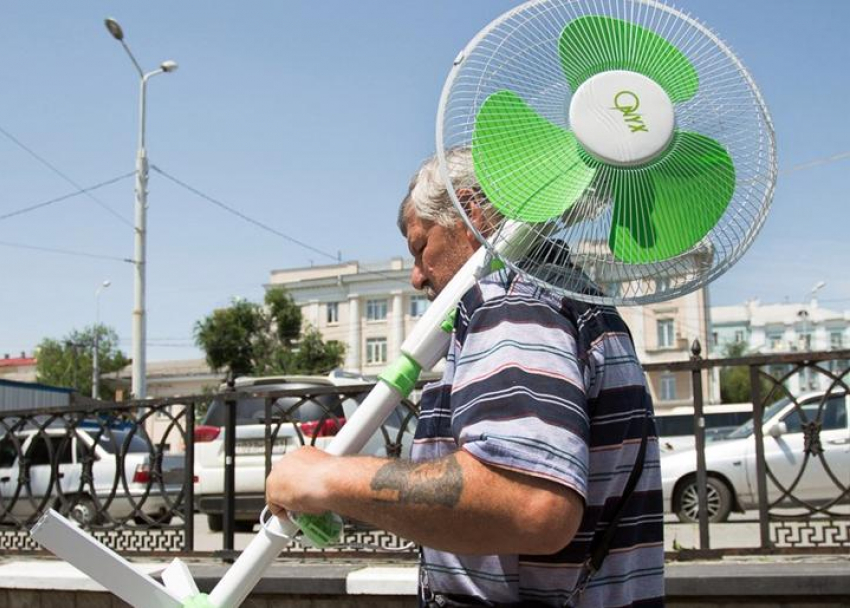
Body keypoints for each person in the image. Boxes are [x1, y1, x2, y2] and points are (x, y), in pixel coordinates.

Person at [265, 150, 664, 607]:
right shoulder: (578, 301)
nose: (417, 277)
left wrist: (326, 479)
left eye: (420, 247)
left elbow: (530, 505)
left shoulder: (511, 300)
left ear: (472, 213)